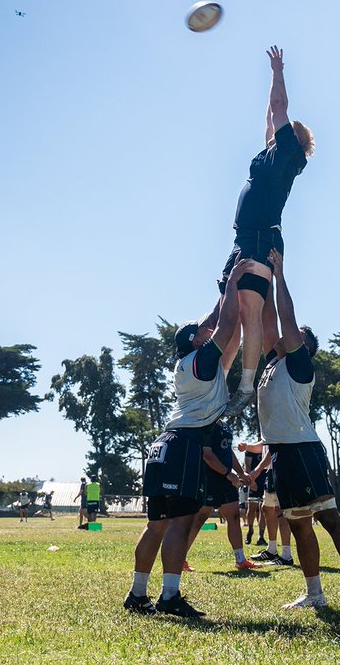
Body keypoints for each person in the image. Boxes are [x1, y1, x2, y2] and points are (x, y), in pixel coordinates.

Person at [247, 248, 340, 614]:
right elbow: (270, 319)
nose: (286, 336)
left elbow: (285, 317)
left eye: (296, 335)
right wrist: (263, 281)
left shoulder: (299, 363)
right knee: (300, 525)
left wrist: (281, 276)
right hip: (283, 455)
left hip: (303, 450)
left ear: (304, 345)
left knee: (329, 520)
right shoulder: (274, 364)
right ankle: (314, 593)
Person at [123, 259, 250, 618]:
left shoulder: (188, 361)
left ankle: (137, 595)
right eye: (201, 330)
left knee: (156, 525)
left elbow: (212, 321)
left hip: (165, 444)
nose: (207, 330)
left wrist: (224, 290)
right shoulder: (203, 359)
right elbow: (225, 325)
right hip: (185, 444)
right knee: (179, 523)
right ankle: (169, 597)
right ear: (195, 340)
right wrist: (236, 282)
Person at [210, 45, 314, 417]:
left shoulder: (289, 151)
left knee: (250, 312)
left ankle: (244, 387)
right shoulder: (271, 153)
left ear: (294, 138)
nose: (276, 126)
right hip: (243, 239)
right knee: (230, 312)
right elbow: (271, 114)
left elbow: (279, 105)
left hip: (260, 239)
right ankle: (218, 383)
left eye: (284, 126)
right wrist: (271, 105)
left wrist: (277, 70)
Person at [198, 423, 258, 570]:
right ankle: (180, 559)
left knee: (234, 516)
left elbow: (228, 453)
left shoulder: (225, 427)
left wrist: (241, 472)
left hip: (226, 480)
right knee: (200, 517)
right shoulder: (206, 424)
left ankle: (240, 559)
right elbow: (207, 455)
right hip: (209, 478)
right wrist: (227, 473)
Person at [238, 441, 267, 546]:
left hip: (266, 480)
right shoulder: (250, 449)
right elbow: (247, 466)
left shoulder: (268, 446)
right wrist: (251, 481)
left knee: (264, 509)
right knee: (252, 508)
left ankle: (261, 536)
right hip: (254, 479)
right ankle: (250, 530)